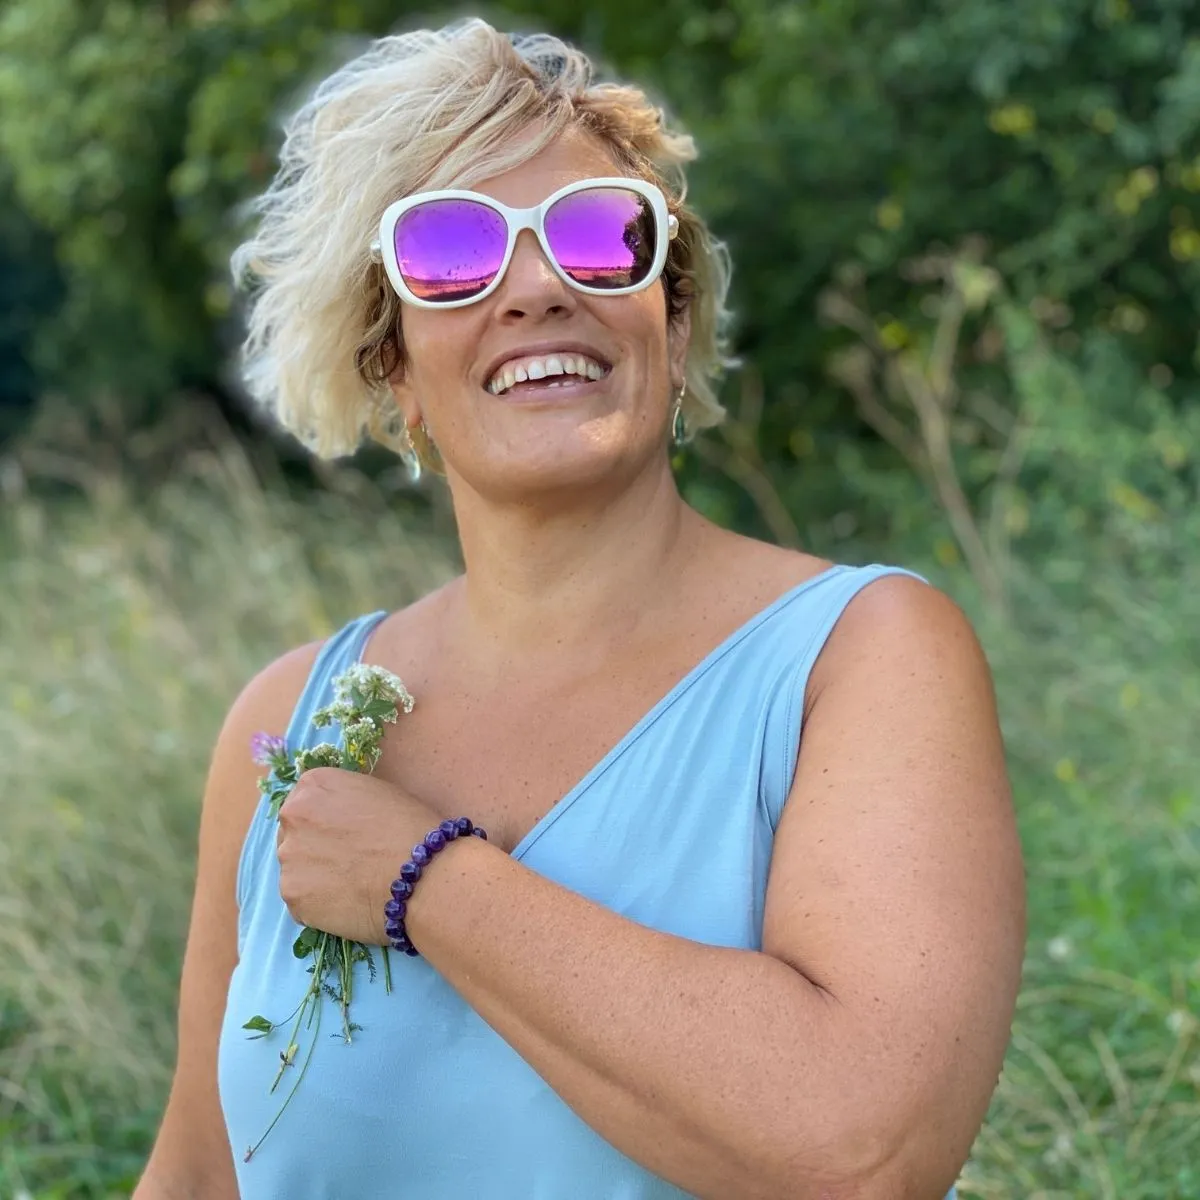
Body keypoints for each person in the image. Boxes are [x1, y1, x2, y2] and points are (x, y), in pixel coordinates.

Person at [134, 18, 1025, 1200]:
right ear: (390, 361)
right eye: (450, 251)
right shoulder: (286, 725)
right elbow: (198, 1176)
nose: (541, 287)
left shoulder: (858, 659)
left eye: (603, 237)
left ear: (677, 313)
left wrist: (424, 881)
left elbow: (864, 1152)